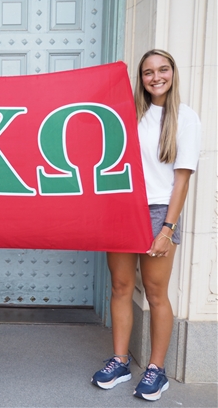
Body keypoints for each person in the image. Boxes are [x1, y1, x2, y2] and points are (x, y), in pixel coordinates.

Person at [91, 50, 201, 401]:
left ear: (173, 73)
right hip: (122, 208)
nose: (156, 77)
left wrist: (168, 228)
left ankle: (156, 369)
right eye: (148, 72)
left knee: (155, 294)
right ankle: (120, 361)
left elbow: (181, 181)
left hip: (158, 211)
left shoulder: (185, 118)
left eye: (163, 70)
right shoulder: (127, 116)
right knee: (121, 287)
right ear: (140, 78)